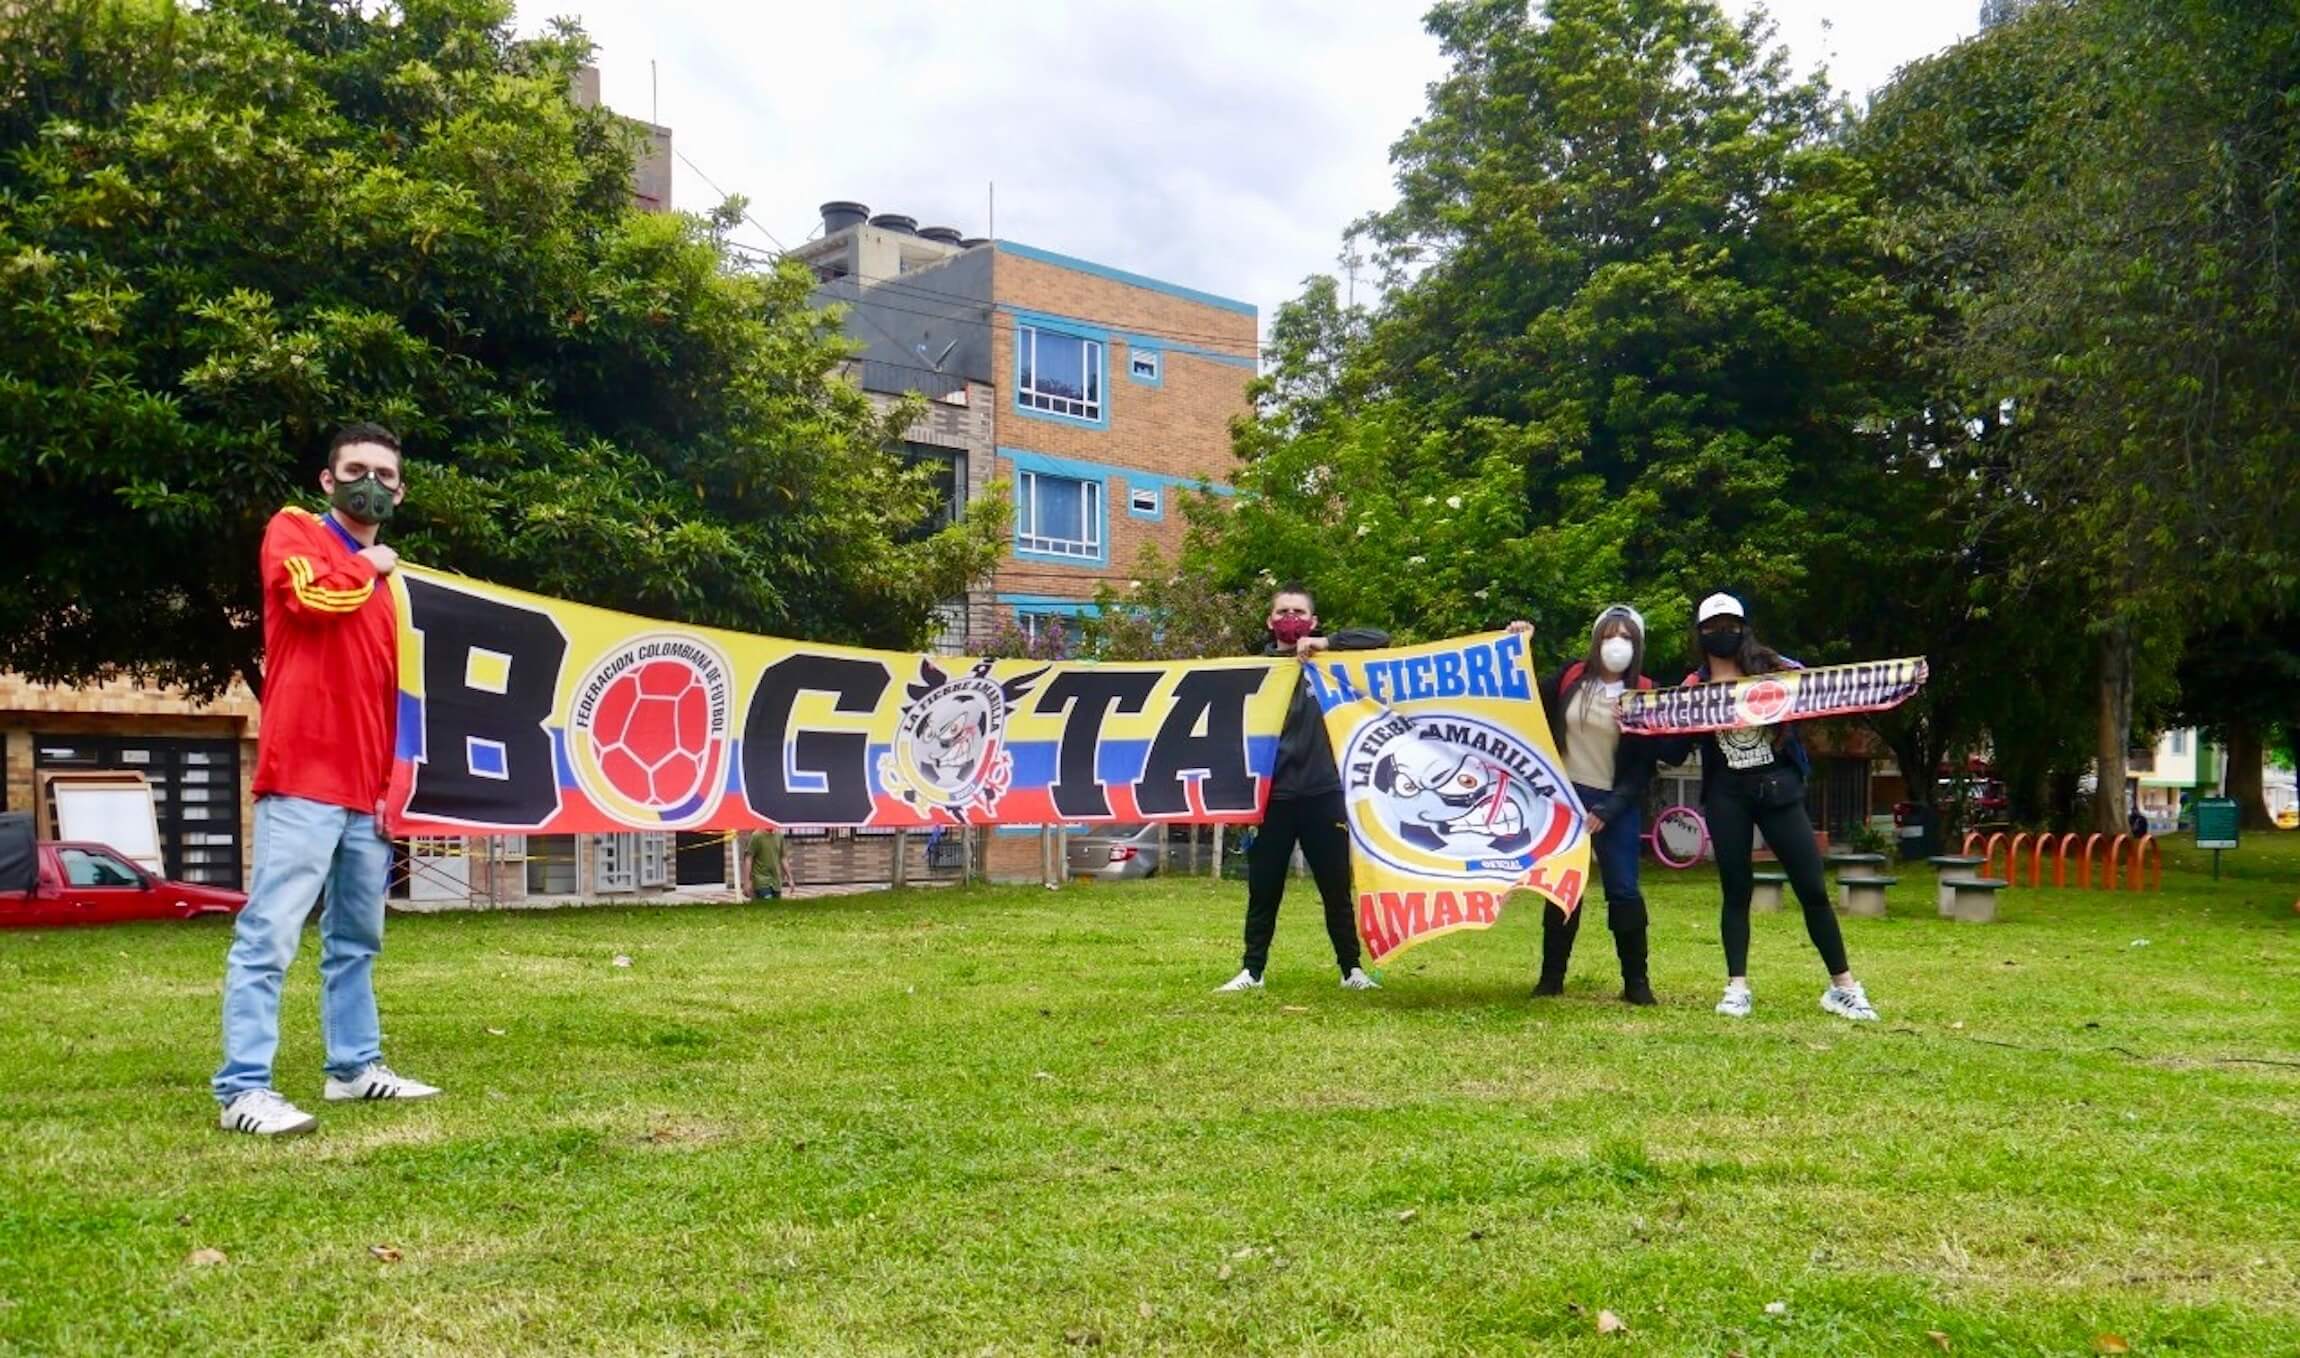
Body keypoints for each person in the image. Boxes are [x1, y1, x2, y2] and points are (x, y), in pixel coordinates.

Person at [214, 424, 441, 1136]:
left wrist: (392, 784)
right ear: (327, 479)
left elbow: (396, 689)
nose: (369, 481)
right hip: (303, 776)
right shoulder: (297, 534)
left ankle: (354, 1068)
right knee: (269, 936)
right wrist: (372, 566)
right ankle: (243, 1090)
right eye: (356, 469)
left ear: (400, 490)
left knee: (356, 939)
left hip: (367, 789)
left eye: (384, 473)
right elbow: (313, 600)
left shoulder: (394, 589)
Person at [1677, 592, 1878, 1022]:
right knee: (1736, 891)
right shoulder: (1694, 687)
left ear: (1743, 627)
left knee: (1812, 888)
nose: (1722, 634)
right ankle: (1736, 987)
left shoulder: (1770, 671)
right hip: (1726, 795)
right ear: (1700, 635)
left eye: (1730, 625)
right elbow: (1673, 746)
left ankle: (1843, 986)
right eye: (1712, 628)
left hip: (1779, 789)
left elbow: (1815, 688)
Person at [1215, 584, 1390, 993]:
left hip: (1323, 793)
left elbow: (1381, 639)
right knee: (1264, 889)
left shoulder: (1334, 665)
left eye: (1298, 612)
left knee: (1335, 888)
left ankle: (1352, 969)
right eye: (1281, 612)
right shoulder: (1253, 670)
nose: (1289, 618)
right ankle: (1252, 971)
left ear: (1312, 621)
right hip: (1271, 797)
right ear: (1269, 621)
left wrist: (1323, 644)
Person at [1507, 607, 1663, 1004]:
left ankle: (1636, 983)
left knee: (1624, 891)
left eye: (1627, 637)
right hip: (1565, 800)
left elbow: (1643, 766)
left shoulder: (1645, 691)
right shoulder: (1571, 678)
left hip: (1617, 804)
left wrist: (1609, 809)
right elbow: (1522, 697)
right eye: (1610, 635)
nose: (1617, 644)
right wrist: (1517, 647)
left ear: (1638, 645)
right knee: (1562, 892)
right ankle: (1551, 979)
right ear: (1596, 640)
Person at [749, 829, 795, 899]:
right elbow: (748, 858)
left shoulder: (779, 836)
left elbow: (783, 857)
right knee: (767, 902)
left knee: (775, 907)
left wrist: (790, 878)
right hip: (761, 880)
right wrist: (747, 882)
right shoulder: (756, 836)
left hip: (776, 881)